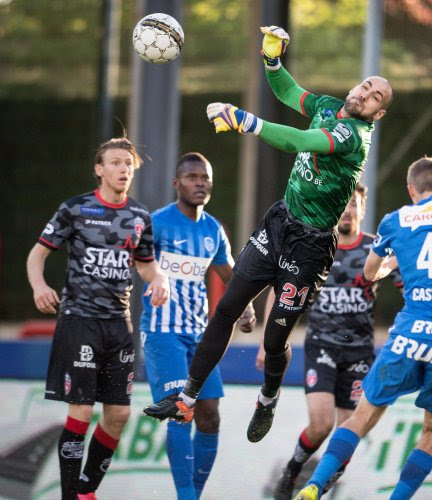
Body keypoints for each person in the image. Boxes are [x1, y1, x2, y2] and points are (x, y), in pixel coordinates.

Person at [143, 25, 393, 446]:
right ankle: (186, 398)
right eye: (366, 85)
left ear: (378, 113)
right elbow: (287, 91)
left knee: (274, 339)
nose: (365, 93)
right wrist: (272, 58)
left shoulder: (354, 137)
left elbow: (300, 140)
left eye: (375, 97)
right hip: (279, 224)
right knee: (227, 309)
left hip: (310, 246)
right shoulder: (331, 105)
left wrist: (246, 121)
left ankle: (268, 396)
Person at [293, 156, 432, 500]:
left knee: (362, 415)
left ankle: (313, 483)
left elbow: (369, 273)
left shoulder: (396, 220)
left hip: (410, 335)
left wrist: (393, 261)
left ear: (411, 190)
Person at [26, 137, 170, 500]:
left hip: (118, 326)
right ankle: (70, 495)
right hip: (80, 321)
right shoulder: (75, 209)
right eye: (117, 163)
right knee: (81, 410)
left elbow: (146, 265)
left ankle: (86, 491)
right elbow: (37, 255)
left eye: (129, 165)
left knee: (119, 414)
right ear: (99, 169)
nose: (124, 170)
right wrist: (39, 286)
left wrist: (161, 280)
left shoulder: (139, 216)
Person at [262, 183, 403, 499]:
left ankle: (319, 488)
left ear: (363, 210)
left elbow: (407, 287)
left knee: (349, 431)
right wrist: (265, 343)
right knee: (322, 424)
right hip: (322, 345)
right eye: (344, 204)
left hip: (359, 353)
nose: (348, 210)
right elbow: (279, 290)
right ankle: (293, 470)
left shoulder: (376, 249)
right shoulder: (316, 246)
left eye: (355, 204)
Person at [140, 152, 257, 500]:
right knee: (180, 410)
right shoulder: (157, 222)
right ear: (176, 184)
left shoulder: (212, 229)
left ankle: (194, 494)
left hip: (199, 336)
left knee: (210, 416)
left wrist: (247, 306)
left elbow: (230, 274)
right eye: (191, 177)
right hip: (163, 332)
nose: (199, 182)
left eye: (204, 177)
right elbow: (140, 262)